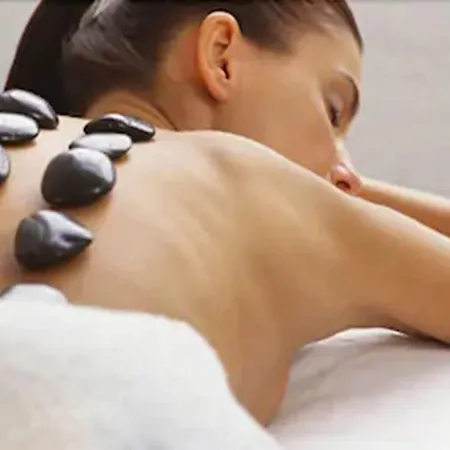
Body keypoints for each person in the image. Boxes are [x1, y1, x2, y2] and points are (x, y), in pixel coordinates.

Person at [3, 0, 450, 438]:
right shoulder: (251, 184)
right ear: (221, 56)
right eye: (332, 110)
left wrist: (337, 188)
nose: (348, 170)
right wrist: (334, 195)